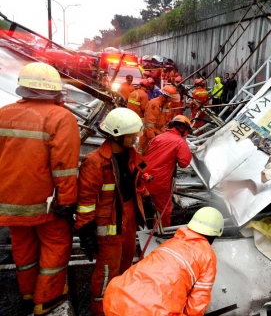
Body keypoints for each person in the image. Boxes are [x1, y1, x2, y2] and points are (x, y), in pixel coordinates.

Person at [0, 62, 80, 315]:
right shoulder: (61, 117)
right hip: (47, 203)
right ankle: (47, 298)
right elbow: (64, 168)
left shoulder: (3, 113)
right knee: (55, 247)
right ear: (55, 91)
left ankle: (27, 291)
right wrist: (67, 202)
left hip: (10, 200)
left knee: (23, 246)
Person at [75, 108, 155, 316]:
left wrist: (146, 201)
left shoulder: (131, 156)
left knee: (126, 264)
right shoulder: (95, 162)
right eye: (132, 135)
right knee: (106, 273)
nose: (137, 138)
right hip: (108, 227)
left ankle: (120, 305)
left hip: (127, 220)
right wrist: (85, 229)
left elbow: (136, 184)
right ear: (117, 135)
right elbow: (85, 202)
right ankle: (101, 311)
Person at [103, 207, 223, 316]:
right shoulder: (207, 256)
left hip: (115, 300)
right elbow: (196, 305)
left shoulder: (171, 243)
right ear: (214, 235)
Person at [145, 115, 193, 227]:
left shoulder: (158, 137)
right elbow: (184, 163)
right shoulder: (180, 142)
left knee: (140, 205)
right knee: (164, 210)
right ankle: (161, 232)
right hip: (160, 182)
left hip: (144, 176)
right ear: (184, 130)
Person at [138, 85, 180, 154]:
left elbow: (166, 121)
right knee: (142, 154)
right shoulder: (154, 104)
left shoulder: (166, 105)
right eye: (171, 97)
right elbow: (149, 123)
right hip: (148, 136)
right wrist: (151, 138)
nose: (172, 99)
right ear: (166, 96)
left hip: (159, 134)